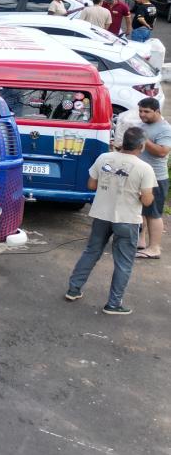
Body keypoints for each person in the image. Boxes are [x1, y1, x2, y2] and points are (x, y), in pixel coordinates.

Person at [66, 126, 154, 315]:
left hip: (101, 215)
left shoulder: (104, 158)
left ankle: (73, 289)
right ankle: (113, 304)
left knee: (91, 252)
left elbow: (91, 184)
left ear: (123, 143)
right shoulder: (144, 168)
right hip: (127, 219)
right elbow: (147, 200)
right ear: (141, 146)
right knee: (123, 263)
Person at [115, 96, 171, 258]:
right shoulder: (142, 125)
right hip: (138, 175)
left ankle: (155, 249)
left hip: (155, 178)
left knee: (153, 214)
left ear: (157, 111)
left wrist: (144, 139)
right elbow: (138, 148)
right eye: (140, 111)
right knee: (142, 211)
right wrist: (123, 147)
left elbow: (162, 152)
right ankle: (141, 240)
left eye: (146, 111)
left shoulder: (165, 129)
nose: (142, 114)